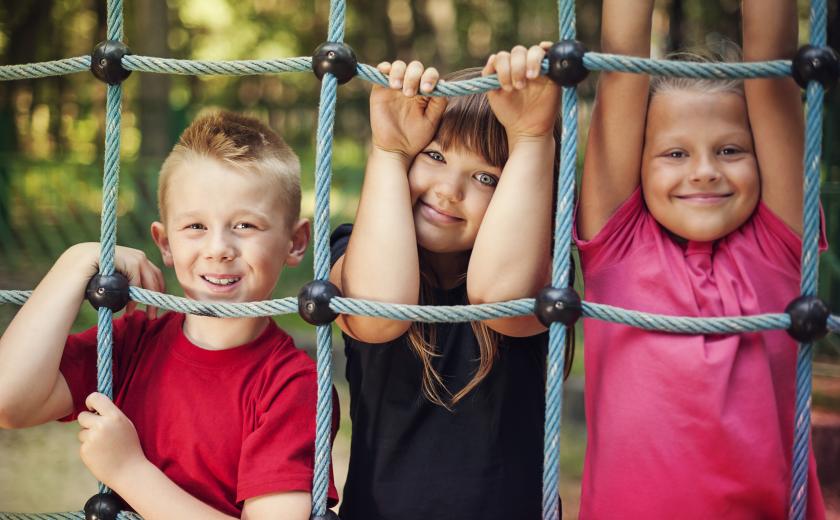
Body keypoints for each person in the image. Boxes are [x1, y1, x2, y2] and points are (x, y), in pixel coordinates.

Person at [0, 111, 339, 519]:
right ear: (164, 242)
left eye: (246, 224)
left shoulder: (294, 386)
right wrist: (78, 261)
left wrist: (129, 470)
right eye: (195, 226)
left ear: (296, 242)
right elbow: (9, 402)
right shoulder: (132, 342)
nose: (219, 248)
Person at [576, 0, 826, 517]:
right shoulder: (618, 249)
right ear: (637, 167)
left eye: (731, 150)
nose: (705, 171)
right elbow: (621, 67)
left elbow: (773, 65)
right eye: (675, 154)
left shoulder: (779, 248)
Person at [329, 44, 565, 520]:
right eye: (434, 155)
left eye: (486, 177)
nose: (448, 190)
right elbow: (380, 310)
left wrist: (533, 137)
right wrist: (390, 150)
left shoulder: (540, 272)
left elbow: (498, 298)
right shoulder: (355, 250)